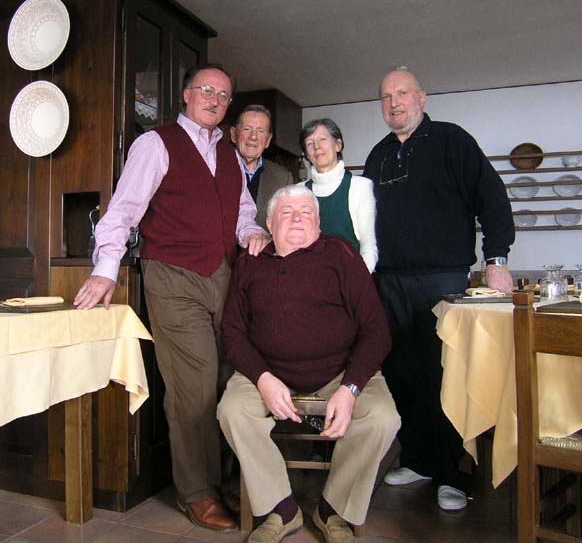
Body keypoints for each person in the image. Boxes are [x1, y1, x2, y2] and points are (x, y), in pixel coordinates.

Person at [74, 64, 271, 531]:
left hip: (225, 275)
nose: (215, 99)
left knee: (227, 377)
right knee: (193, 383)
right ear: (186, 95)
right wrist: (106, 270)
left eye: (223, 95)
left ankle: (222, 480)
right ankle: (196, 492)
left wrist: (252, 231)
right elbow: (123, 209)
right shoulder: (156, 143)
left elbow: (242, 211)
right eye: (207, 90)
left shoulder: (229, 153)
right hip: (174, 275)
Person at [363, 68, 514, 511]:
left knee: (445, 375)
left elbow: (492, 198)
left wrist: (496, 261)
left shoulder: (452, 140)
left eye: (402, 93)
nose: (394, 103)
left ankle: (454, 473)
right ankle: (419, 459)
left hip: (442, 279)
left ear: (422, 98)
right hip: (388, 282)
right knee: (400, 375)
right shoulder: (378, 155)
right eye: (386, 96)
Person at [217, 185, 400, 543]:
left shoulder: (341, 255)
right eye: (287, 213)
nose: (297, 219)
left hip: (340, 372)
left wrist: (350, 388)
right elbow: (233, 332)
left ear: (318, 223)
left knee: (382, 417)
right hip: (268, 373)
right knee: (233, 410)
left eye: (306, 213)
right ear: (270, 223)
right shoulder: (250, 262)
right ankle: (281, 510)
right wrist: (263, 378)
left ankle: (332, 511)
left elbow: (377, 331)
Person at [300, 118, 378, 273]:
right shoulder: (298, 191)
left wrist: (357, 281)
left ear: (338, 145)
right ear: (306, 154)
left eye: (322, 139)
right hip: (308, 277)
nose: (316, 147)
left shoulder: (360, 187)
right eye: (310, 143)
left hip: (349, 277)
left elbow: (369, 248)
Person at [231, 104, 294, 229]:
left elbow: (286, 225)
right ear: (233, 134)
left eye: (260, 131)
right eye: (247, 129)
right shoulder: (215, 168)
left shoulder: (283, 178)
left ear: (268, 140)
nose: (253, 137)